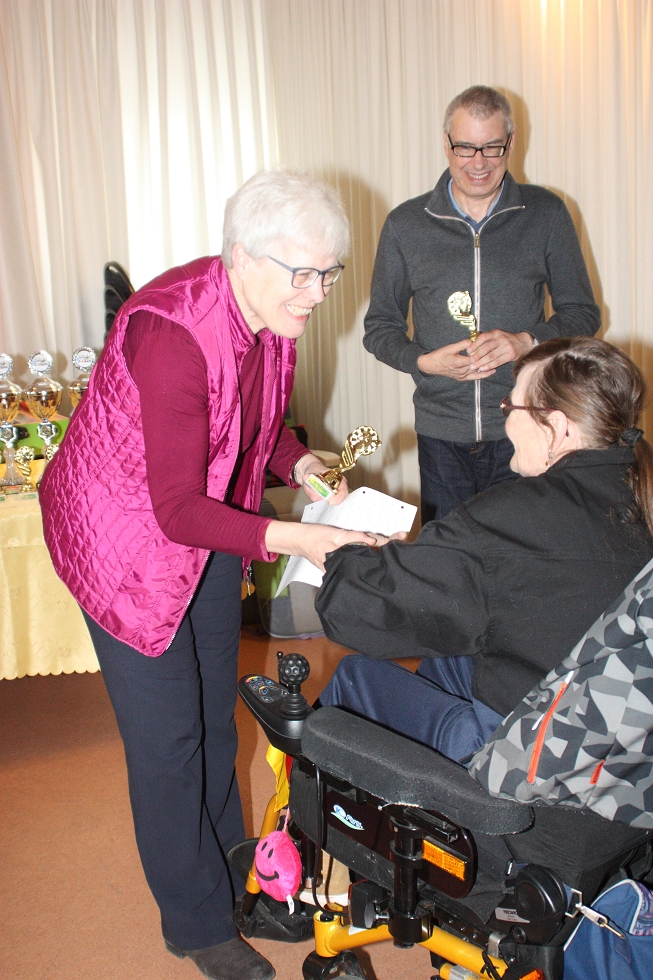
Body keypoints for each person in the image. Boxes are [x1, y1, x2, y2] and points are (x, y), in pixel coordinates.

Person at [39, 169, 377, 980]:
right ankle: (193, 923)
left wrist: (302, 464)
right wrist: (295, 536)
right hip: (125, 542)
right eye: (303, 273)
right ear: (242, 257)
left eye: (328, 273)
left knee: (213, 721)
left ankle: (233, 878)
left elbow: (254, 423)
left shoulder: (269, 311)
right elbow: (174, 508)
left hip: (205, 528)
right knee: (167, 740)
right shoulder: (172, 336)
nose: (317, 293)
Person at [316, 337, 653, 764]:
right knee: (453, 657)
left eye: (511, 407)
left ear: (558, 426)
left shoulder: (511, 517)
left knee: (355, 678)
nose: (504, 419)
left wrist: (347, 551)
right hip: (625, 750)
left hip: (530, 763)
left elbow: (352, 611)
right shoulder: (637, 497)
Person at [363, 85, 601, 526]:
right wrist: (423, 362)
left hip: (525, 426)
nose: (478, 162)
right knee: (450, 558)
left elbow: (583, 314)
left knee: (520, 556)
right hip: (440, 434)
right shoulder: (405, 225)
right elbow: (379, 328)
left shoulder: (546, 214)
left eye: (492, 147)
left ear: (511, 142)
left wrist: (527, 342)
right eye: (465, 147)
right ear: (446, 143)